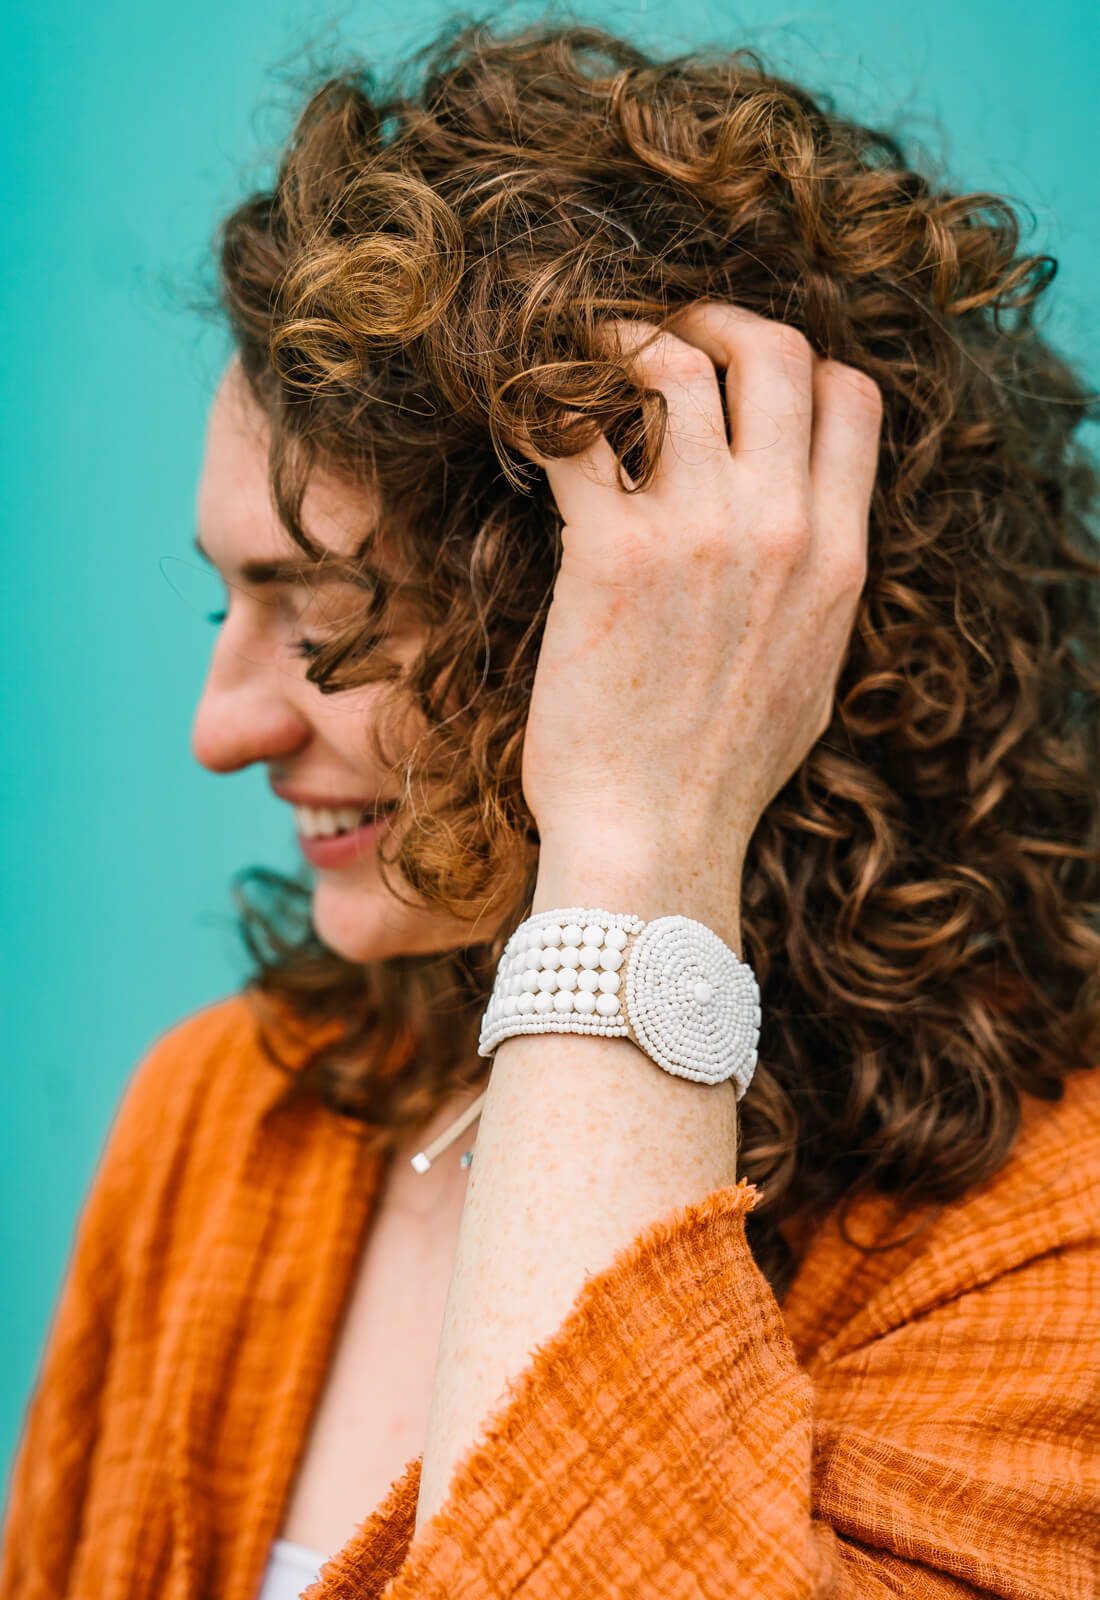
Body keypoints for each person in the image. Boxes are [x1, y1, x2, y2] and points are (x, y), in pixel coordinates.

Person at [2, 15, 1097, 1600]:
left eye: (320, 620)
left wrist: (639, 841)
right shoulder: (226, 1118)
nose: (220, 728)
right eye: (219, 607)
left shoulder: (1041, 1250)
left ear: (675, 613)